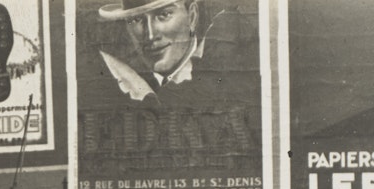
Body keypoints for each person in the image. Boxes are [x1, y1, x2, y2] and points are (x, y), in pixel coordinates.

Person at [96, 0, 260, 117]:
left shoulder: (233, 73)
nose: (150, 35)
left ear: (192, 16)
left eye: (164, 14)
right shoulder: (118, 83)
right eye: (136, 19)